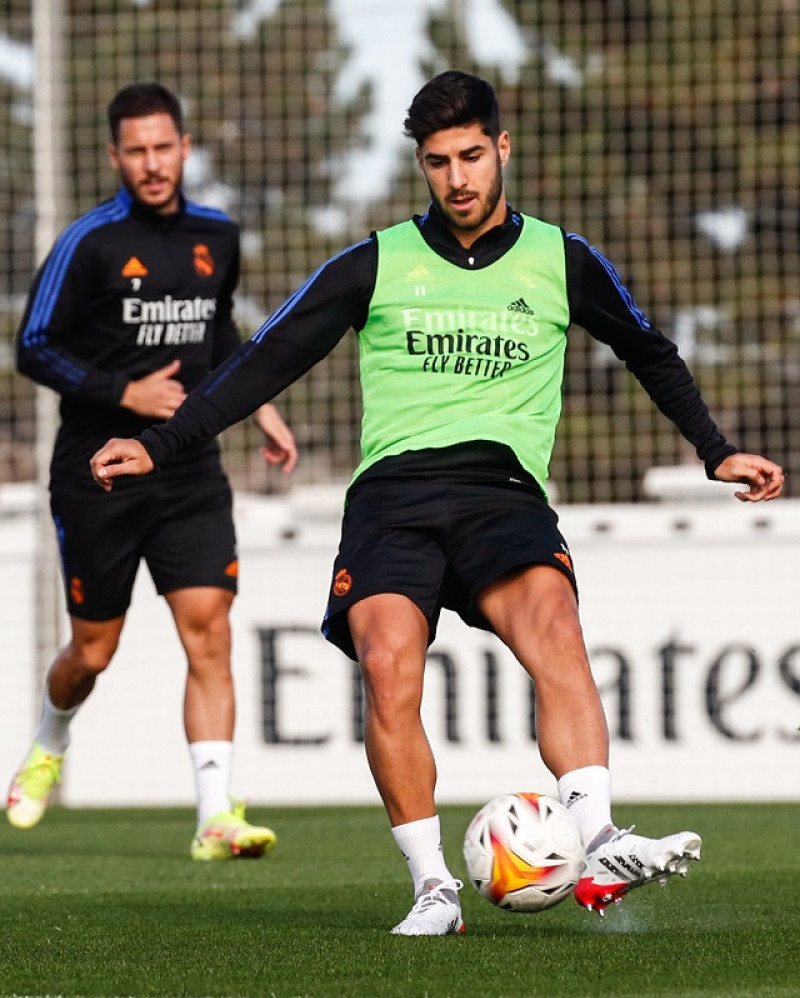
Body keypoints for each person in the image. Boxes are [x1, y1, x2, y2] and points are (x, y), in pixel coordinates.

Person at [89, 72, 784, 928]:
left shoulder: (563, 260)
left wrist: (714, 452)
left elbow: (651, 351)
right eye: (436, 163)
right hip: (394, 496)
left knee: (555, 625)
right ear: (421, 165)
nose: (457, 178)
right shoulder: (374, 263)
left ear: (502, 149)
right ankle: (434, 887)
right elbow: (260, 363)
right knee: (388, 665)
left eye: (469, 157)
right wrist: (158, 447)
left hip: (503, 491)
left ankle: (599, 837)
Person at [7, 82, 298, 861]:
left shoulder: (217, 234)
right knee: (92, 653)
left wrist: (261, 405)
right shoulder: (89, 241)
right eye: (135, 150)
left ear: (185, 147)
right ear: (115, 157)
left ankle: (214, 816)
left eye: (163, 146)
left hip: (188, 464)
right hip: (97, 473)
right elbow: (32, 345)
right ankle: (49, 738)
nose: (151, 162)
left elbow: (221, 330)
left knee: (209, 631)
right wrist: (122, 390)